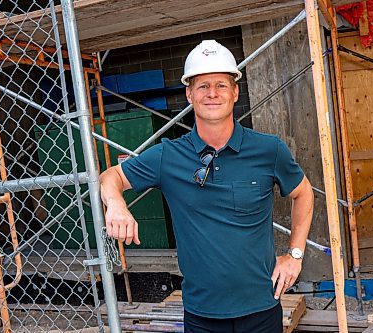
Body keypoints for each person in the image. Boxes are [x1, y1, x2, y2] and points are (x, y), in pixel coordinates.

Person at [99, 40, 314, 333]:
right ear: (189, 94)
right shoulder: (167, 156)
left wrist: (295, 255)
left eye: (221, 85)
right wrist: (116, 204)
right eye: (202, 86)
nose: (212, 93)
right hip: (202, 316)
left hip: (262, 308)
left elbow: (303, 193)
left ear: (235, 92)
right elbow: (110, 176)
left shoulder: (268, 150)